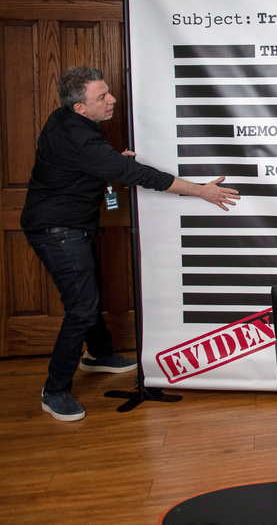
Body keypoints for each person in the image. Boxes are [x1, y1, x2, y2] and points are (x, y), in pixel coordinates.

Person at [21, 65, 241, 422]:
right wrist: (201, 190)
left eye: (108, 92)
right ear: (80, 108)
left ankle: (99, 354)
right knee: (80, 307)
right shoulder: (82, 137)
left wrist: (106, 164)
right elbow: (140, 175)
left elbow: (82, 163)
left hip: (69, 225)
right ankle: (55, 390)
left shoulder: (63, 119)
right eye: (102, 97)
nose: (112, 100)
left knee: (89, 293)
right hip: (57, 230)